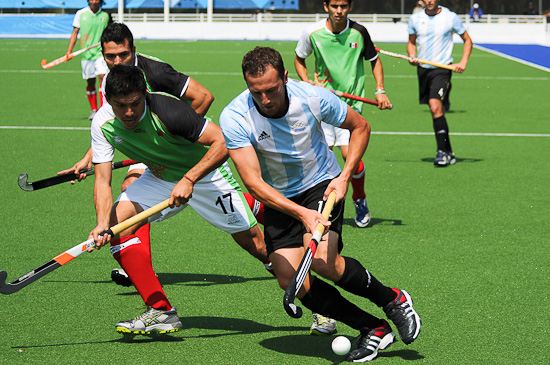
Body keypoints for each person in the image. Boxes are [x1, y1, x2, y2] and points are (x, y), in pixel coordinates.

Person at [220, 46, 421, 362]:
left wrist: (343, 177)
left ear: (285, 77)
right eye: (256, 92)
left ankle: (393, 299)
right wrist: (302, 214)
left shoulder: (312, 98)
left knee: (323, 261)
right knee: (291, 280)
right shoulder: (234, 117)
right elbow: (254, 184)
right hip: (279, 198)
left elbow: (361, 127)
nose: (265, 100)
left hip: (321, 184)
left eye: (272, 90)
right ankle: (373, 328)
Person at [87, 64, 269, 335]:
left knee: (256, 246)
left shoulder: (168, 111)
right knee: (116, 226)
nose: (128, 112)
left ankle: (315, 300)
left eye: (135, 104)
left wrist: (190, 179)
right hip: (160, 178)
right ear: (108, 100)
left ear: (144, 95)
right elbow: (102, 180)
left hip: (205, 176)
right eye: (119, 105)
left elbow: (223, 141)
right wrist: (102, 222)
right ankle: (161, 311)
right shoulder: (103, 125)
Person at [295, 0, 392, 230]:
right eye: (335, 5)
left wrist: (380, 90)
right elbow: (300, 58)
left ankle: (360, 199)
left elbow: (374, 61)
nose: (339, 11)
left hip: (350, 107)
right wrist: (307, 80)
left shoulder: (359, 32)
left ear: (350, 7)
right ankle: (319, 205)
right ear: (326, 6)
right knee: (321, 160)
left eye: (344, 6)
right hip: (321, 104)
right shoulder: (312, 33)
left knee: (352, 161)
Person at [407, 0, 472, 167]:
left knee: (435, 106)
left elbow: (467, 40)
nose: (429, 1)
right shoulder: (415, 18)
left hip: (442, 69)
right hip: (423, 70)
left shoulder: (450, 17)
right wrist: (412, 55)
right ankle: (449, 151)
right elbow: (411, 42)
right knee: (435, 110)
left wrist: (462, 62)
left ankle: (442, 152)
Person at [66, 0, 111, 120]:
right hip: (86, 54)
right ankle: (94, 110)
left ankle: (103, 109)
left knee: (103, 77)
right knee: (90, 82)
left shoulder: (106, 15)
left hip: (101, 53)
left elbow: (111, 33)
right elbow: (75, 32)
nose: (94, 1)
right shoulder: (81, 14)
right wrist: (69, 51)